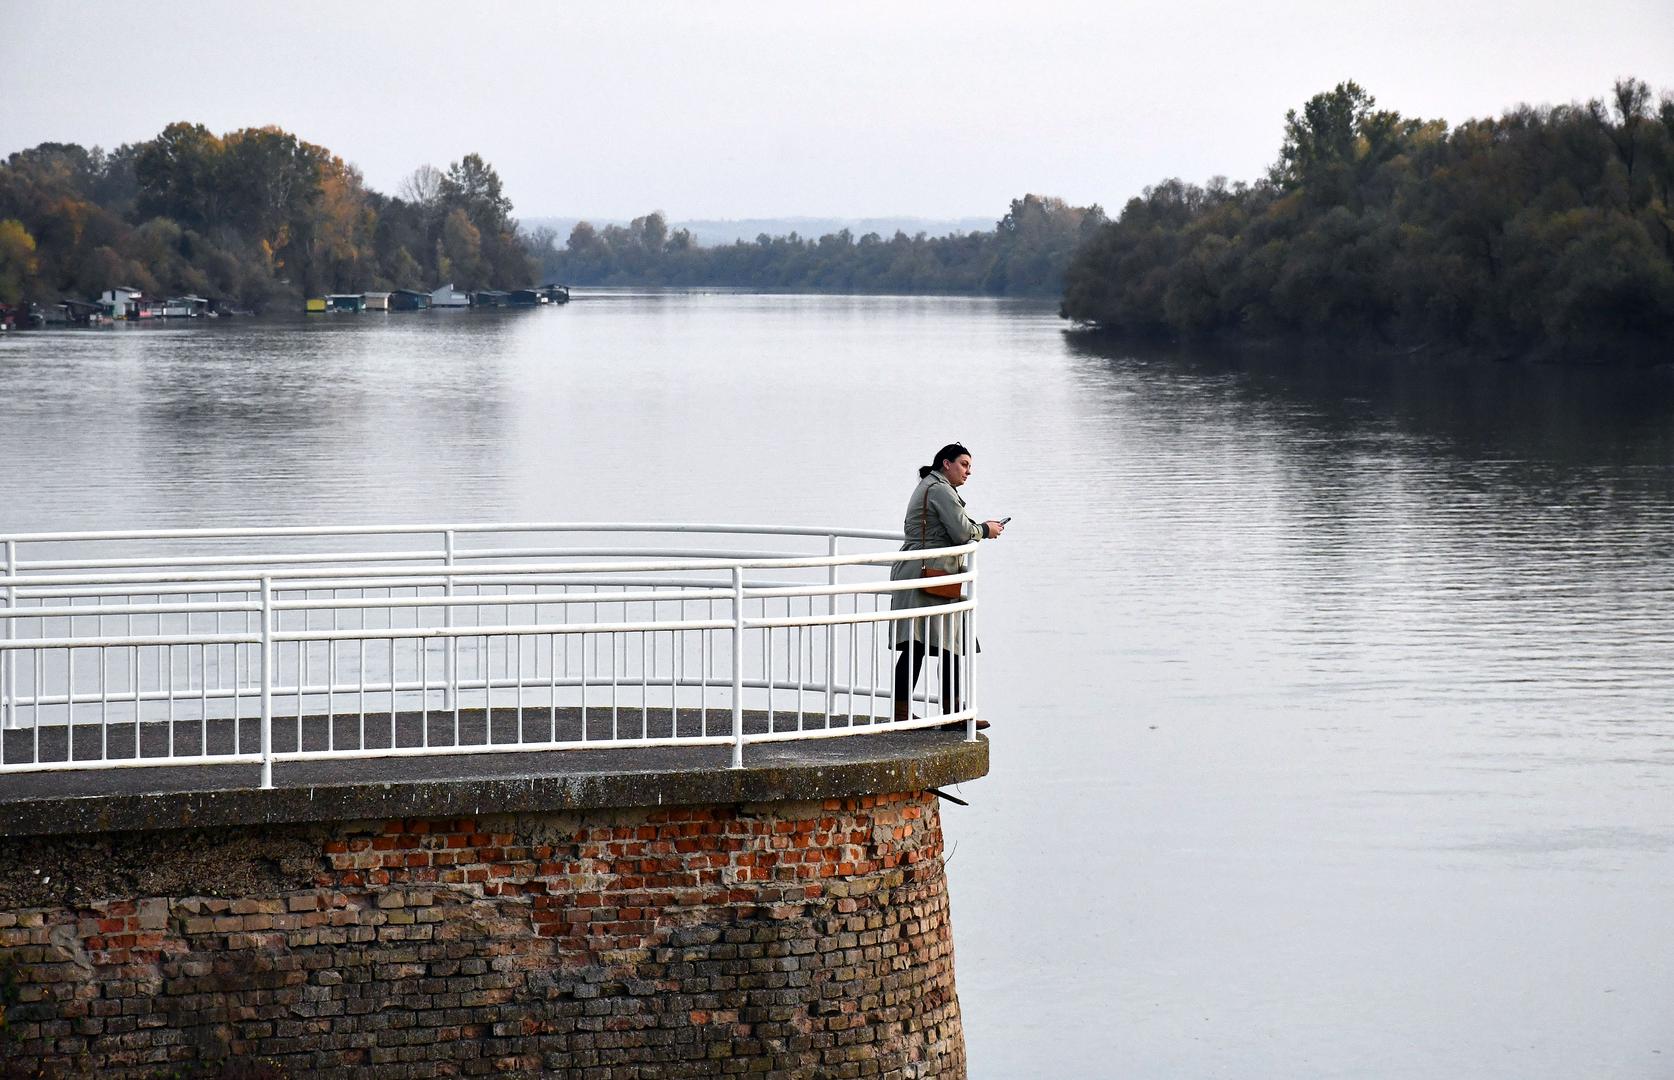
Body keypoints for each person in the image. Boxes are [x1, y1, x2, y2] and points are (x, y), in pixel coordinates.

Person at [890, 442, 1005, 728]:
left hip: (925, 571)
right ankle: (947, 714)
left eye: (969, 466)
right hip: (929, 573)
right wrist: (985, 530)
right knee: (942, 644)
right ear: (946, 463)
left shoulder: (933, 486)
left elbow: (952, 527)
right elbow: (961, 531)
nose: (968, 472)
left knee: (929, 644)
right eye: (964, 464)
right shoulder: (940, 489)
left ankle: (914, 713)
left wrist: (976, 528)